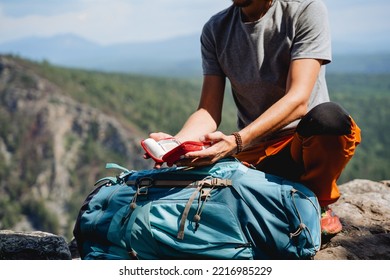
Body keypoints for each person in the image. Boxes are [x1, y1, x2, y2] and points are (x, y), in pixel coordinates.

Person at [145, 0, 361, 235]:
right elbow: (207, 111)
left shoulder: (306, 9)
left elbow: (298, 100)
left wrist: (237, 140)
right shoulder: (216, 29)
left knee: (329, 119)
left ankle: (315, 201)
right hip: (256, 154)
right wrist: (177, 143)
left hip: (305, 145)